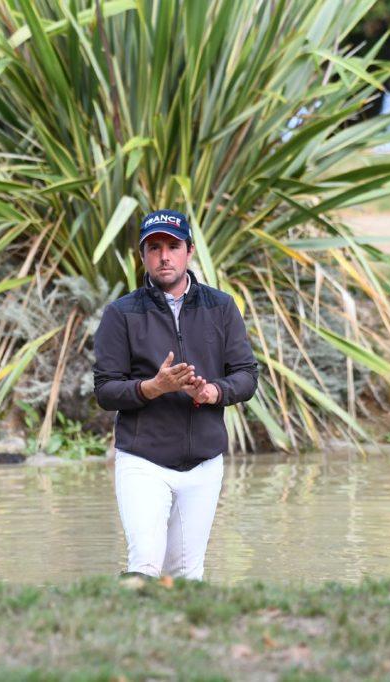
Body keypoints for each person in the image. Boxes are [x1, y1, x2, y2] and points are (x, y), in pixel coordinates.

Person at [92, 208, 259, 581]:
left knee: (186, 572)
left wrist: (214, 391)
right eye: (153, 248)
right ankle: (132, 633)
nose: (163, 256)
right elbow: (105, 390)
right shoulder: (121, 314)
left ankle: (184, 637)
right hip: (143, 461)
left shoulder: (222, 307)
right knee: (146, 564)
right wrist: (153, 387)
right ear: (142, 257)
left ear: (189, 250)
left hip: (203, 463)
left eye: (172, 245)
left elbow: (247, 375)